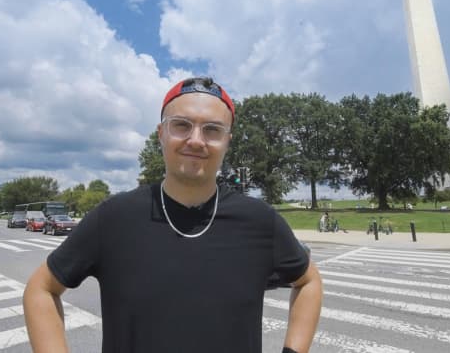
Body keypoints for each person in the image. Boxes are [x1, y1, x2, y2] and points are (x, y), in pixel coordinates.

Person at [23, 77, 323, 353]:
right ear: (161, 134)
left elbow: (308, 282)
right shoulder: (113, 218)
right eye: (181, 125)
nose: (196, 140)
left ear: (227, 141)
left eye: (212, 130)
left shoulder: (260, 221)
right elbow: (41, 289)